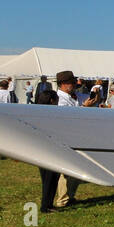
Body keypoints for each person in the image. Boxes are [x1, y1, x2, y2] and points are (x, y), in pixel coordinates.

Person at [40, 70, 82, 213]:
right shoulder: (59, 99)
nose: (74, 84)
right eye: (71, 82)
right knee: (54, 176)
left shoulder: (71, 97)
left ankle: (61, 199)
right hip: (57, 141)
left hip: (66, 139)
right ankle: (53, 203)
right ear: (63, 84)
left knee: (63, 174)